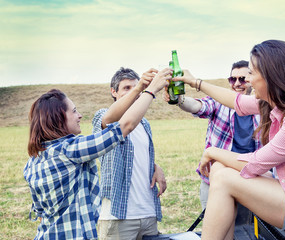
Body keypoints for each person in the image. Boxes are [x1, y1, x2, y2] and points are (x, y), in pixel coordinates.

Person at [173, 40, 285, 240]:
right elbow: (236, 101)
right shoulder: (277, 104)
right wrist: (195, 82)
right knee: (220, 169)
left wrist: (212, 151)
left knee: (223, 178)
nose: (248, 79)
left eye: (252, 72)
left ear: (271, 77)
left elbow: (255, 164)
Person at [23, 68, 169, 239]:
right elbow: (123, 128)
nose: (80, 116)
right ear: (59, 117)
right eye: (74, 111)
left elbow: (40, 211)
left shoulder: (32, 162)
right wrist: (150, 90)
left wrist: (153, 165)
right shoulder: (71, 149)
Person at [163, 60, 260, 211]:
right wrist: (179, 99)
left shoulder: (262, 108)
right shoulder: (220, 102)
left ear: (251, 80)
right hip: (216, 181)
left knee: (247, 232)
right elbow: (197, 106)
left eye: (242, 79)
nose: (237, 83)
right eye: (232, 79)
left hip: (250, 182)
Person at [92, 67, 169, 240]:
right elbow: (111, 120)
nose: (134, 93)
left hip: (148, 213)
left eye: (136, 88)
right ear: (113, 92)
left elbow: (137, 157)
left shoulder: (145, 124)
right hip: (118, 215)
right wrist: (141, 86)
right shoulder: (103, 116)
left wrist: (155, 166)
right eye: (127, 88)